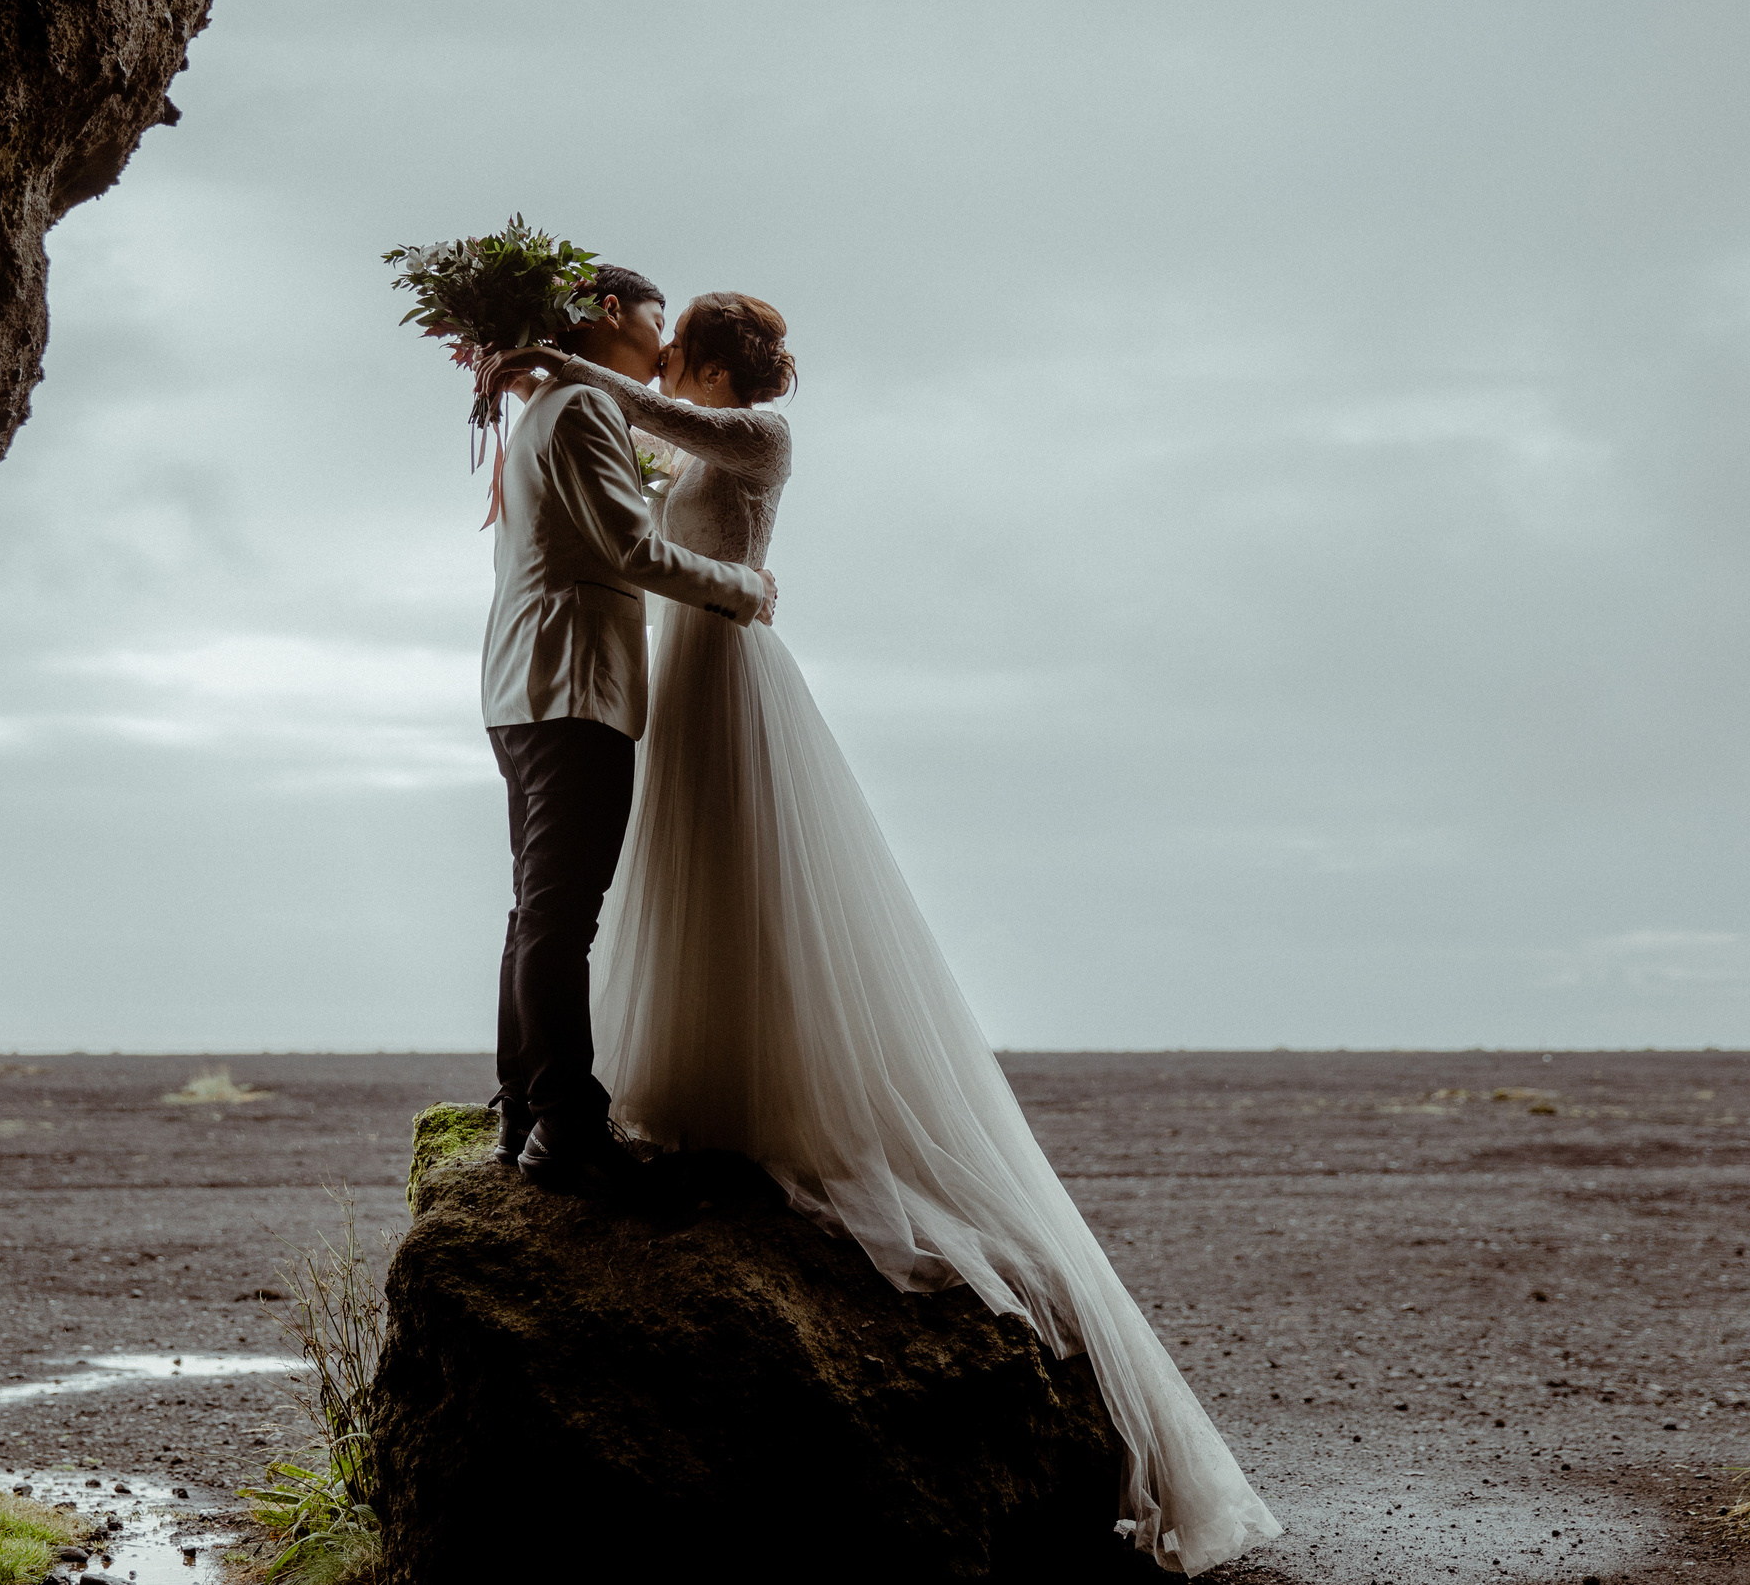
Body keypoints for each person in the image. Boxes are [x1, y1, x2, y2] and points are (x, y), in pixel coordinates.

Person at [480, 295, 1282, 1575]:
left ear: (713, 359)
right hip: (679, 662)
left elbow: (642, 425)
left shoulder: (759, 437)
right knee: (643, 886)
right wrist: (542, 380)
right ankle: (638, 1085)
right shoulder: (654, 432)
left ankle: (703, 1087)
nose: (665, 358)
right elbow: (611, 489)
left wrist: (553, 363)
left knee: (733, 878)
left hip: (730, 666)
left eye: (679, 343)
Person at [476, 266, 778, 1197]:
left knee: (541, 910)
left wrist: (540, 371)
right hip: (573, 685)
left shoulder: (564, 406)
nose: (665, 339)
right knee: (561, 916)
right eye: (658, 316)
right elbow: (629, 548)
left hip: (539, 682)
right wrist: (747, 591)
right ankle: (563, 1123)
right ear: (615, 312)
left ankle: (528, 1107)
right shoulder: (578, 408)